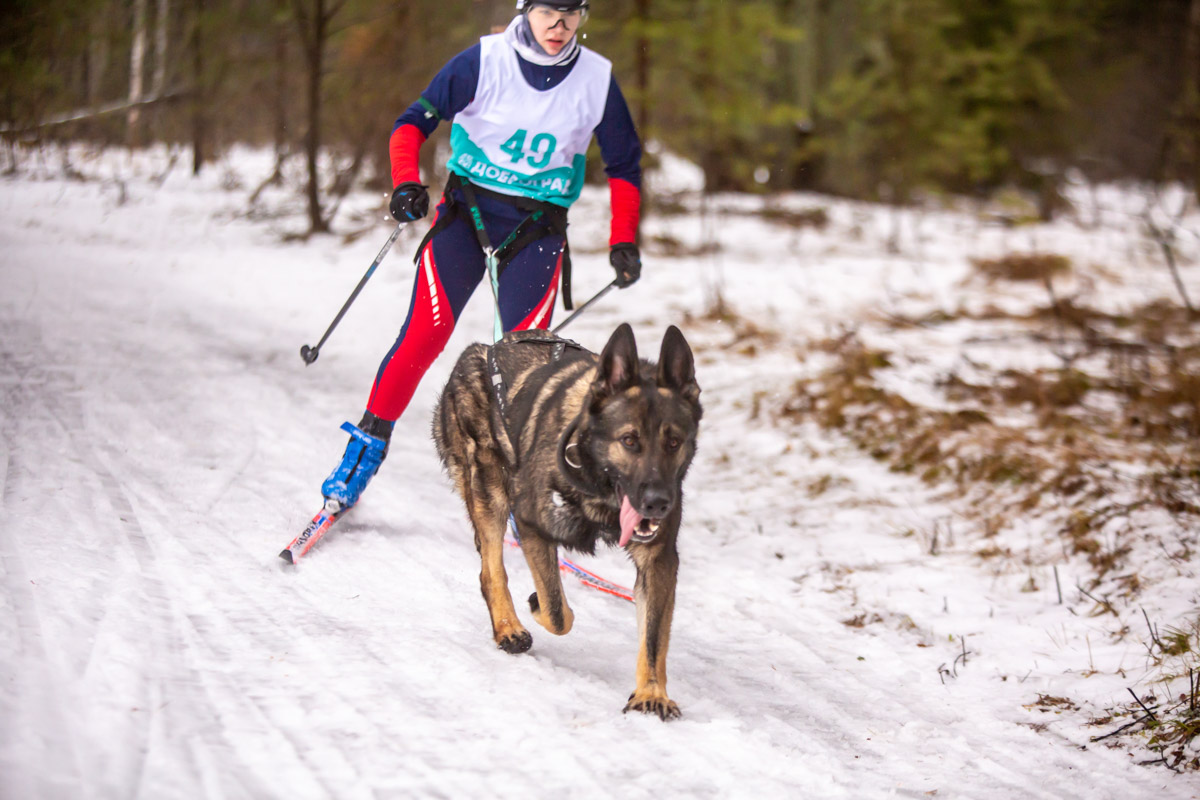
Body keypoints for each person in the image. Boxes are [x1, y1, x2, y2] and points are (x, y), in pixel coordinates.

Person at [320, 0, 644, 511]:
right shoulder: (484, 61)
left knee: (521, 365)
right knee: (423, 337)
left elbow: (625, 166)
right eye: (547, 13)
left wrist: (623, 238)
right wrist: (406, 182)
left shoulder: (596, 80)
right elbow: (411, 124)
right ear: (526, 10)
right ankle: (363, 453)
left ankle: (522, 493)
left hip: (536, 229)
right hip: (466, 218)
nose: (559, 27)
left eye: (570, 14)